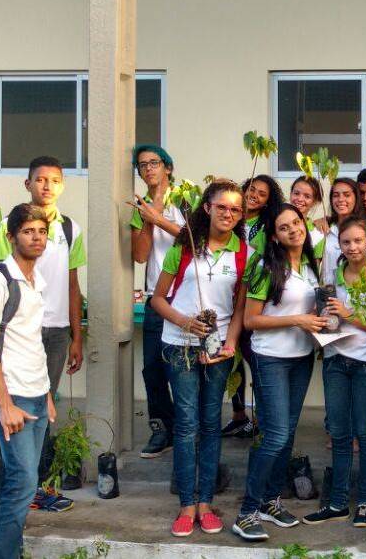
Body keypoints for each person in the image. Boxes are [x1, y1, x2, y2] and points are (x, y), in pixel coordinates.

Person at [150, 179, 247, 537]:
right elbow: (157, 299)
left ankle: (205, 502)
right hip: (180, 345)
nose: (228, 214)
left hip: (217, 350)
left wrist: (230, 344)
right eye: (222, 206)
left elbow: (238, 309)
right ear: (207, 208)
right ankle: (186, 505)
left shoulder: (242, 252)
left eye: (235, 209)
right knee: (187, 424)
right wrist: (186, 323)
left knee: (210, 424)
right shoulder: (186, 245)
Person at [0, 156, 84, 509]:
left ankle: (32, 488)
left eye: (55, 180)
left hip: (56, 332)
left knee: (43, 412)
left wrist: (77, 334)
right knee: (9, 408)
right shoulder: (7, 227)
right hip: (15, 332)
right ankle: (3, 489)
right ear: (27, 184)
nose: (47, 185)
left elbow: (74, 285)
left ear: (62, 186)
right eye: (40, 179)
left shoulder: (70, 229)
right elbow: (1, 275)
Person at [232, 204, 325, 542]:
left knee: (286, 433)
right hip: (271, 358)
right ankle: (246, 512)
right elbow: (250, 320)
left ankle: (270, 501)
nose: (293, 230)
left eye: (296, 223)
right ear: (274, 235)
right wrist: (298, 320)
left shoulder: (312, 266)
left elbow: (309, 309)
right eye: (284, 227)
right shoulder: (264, 266)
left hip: (301, 357)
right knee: (275, 435)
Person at [0, 203, 56, 559]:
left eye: (41, 231)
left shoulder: (36, 280)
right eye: (28, 231)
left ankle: (12, 550)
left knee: (27, 480)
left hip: (37, 392)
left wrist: (48, 393)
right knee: (20, 482)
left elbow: (31, 340)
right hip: (14, 396)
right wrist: (4, 403)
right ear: (10, 237)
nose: (36, 237)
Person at [303, 216, 366, 528]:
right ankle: (337, 502)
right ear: (339, 245)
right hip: (336, 360)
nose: (352, 247)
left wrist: (349, 315)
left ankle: (365, 501)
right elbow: (326, 321)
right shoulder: (332, 279)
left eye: (358, 240)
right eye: (346, 242)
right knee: (339, 433)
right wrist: (322, 321)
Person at [129, 144, 186, 459]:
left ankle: (187, 428)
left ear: (167, 167)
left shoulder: (186, 199)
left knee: (184, 367)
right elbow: (139, 255)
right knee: (152, 368)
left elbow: (196, 240)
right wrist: (149, 216)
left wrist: (161, 216)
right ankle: (163, 428)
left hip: (186, 296)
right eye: (142, 165)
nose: (148, 168)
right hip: (155, 296)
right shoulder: (139, 207)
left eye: (154, 162)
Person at [222, 174, 285, 439]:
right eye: (251, 189)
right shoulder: (231, 218)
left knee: (254, 358)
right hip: (225, 292)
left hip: (253, 296)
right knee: (230, 359)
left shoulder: (267, 225)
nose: (254, 195)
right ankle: (238, 415)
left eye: (262, 193)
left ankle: (261, 419)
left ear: (268, 201)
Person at [313, 177, 363, 286]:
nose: (341, 199)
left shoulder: (365, 230)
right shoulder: (324, 229)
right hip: (327, 294)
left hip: (356, 293)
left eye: (346, 195)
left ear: (356, 198)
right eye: (336, 195)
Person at [289, 175, 326, 252]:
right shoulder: (276, 224)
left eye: (307, 196)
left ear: (315, 202)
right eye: (296, 193)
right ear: (291, 194)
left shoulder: (317, 234)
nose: (300, 199)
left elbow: (315, 264)